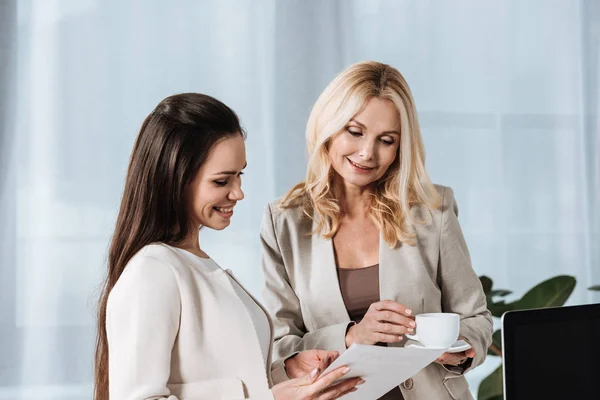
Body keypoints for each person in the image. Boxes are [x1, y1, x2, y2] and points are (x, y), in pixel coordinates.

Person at [93, 93, 363, 400]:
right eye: (222, 181)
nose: (238, 193)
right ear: (175, 179)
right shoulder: (153, 271)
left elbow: (221, 378)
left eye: (240, 175)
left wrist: (286, 370)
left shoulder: (194, 264)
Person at [260, 62, 493, 400]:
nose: (367, 153)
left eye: (386, 140)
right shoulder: (285, 222)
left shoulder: (432, 209)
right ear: (329, 126)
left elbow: (476, 317)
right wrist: (352, 336)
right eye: (354, 132)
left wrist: (463, 348)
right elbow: (280, 347)